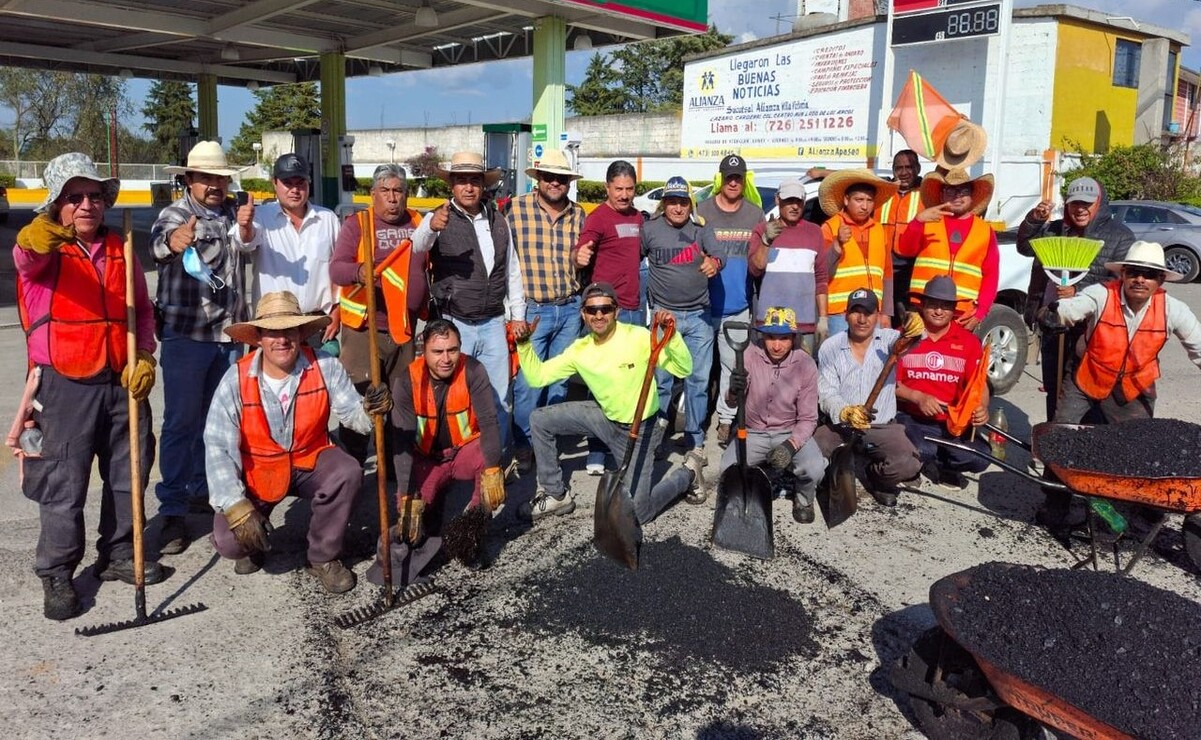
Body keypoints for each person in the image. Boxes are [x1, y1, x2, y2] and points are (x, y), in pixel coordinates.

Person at [14, 154, 162, 621]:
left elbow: (141, 309)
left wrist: (144, 354)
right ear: (56, 204)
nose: (86, 205)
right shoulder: (43, 248)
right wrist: (38, 235)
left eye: (94, 196)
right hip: (64, 383)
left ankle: (118, 553)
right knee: (63, 481)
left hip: (120, 380)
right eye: (73, 197)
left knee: (129, 472)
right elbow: (26, 256)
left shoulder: (122, 245)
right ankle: (57, 572)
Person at [203, 292, 392, 593]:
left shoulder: (325, 365)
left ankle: (322, 556)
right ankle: (254, 543)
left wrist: (370, 410)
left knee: (347, 472)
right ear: (259, 338)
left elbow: (353, 415)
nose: (281, 340)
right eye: (272, 332)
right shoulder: (235, 379)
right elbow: (218, 447)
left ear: (301, 334)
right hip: (258, 469)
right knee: (230, 540)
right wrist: (236, 506)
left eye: (289, 331)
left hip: (310, 456)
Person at [514, 282, 706, 523]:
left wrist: (673, 336)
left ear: (617, 311)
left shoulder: (639, 337)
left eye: (605, 309)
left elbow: (683, 368)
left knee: (640, 513)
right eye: (592, 310)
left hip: (641, 430)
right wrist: (524, 344)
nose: (598, 315)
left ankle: (688, 473)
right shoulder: (579, 350)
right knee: (540, 419)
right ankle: (556, 494)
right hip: (605, 418)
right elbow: (537, 377)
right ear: (583, 314)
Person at [151, 141, 253, 555]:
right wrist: (174, 242)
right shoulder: (175, 214)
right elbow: (160, 244)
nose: (214, 184)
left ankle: (206, 490)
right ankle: (172, 508)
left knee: (220, 424)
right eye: (205, 178)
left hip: (228, 337)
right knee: (180, 423)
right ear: (189, 179)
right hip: (187, 337)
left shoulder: (234, 214)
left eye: (219, 178)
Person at [410, 151, 527, 454]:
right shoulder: (439, 216)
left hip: (493, 323)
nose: (469, 187)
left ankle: (495, 460)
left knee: (499, 396)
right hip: (455, 323)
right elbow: (417, 247)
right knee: (454, 396)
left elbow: (511, 270)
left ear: (483, 185)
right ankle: (456, 457)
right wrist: (431, 227)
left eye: (474, 181)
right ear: (452, 185)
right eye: (461, 181)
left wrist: (517, 315)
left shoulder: (499, 221)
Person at [372, 320, 505, 583]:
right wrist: (407, 495)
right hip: (427, 459)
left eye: (452, 350)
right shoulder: (406, 381)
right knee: (414, 517)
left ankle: (472, 536)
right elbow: (402, 442)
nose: (446, 359)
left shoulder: (473, 370)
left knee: (488, 464)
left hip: (463, 452)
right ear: (423, 351)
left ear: (460, 348)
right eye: (438, 352)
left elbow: (489, 422)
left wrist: (493, 469)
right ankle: (413, 540)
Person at [329, 164, 427, 462]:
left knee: (400, 401)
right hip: (364, 329)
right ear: (373, 194)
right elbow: (337, 268)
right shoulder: (358, 224)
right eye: (385, 191)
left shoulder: (418, 222)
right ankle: (352, 466)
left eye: (398, 191)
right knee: (362, 398)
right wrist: (360, 271)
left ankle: (397, 468)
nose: (393, 198)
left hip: (404, 328)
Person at [1017, 176, 1134, 420]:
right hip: (1053, 322)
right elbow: (1025, 247)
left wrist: (1079, 290)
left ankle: (1081, 439)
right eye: (1075, 203)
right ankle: (1054, 438)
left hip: (1092, 330)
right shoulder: (1054, 230)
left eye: (1087, 203)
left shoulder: (1120, 236)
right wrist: (1035, 219)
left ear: (1099, 203)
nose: (1080, 209)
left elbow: (1123, 284)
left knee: (1085, 393)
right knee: (1055, 388)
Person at [1046, 241, 1201, 424]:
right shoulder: (1101, 294)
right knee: (1063, 431)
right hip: (1087, 376)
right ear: (1123, 274)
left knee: (1136, 437)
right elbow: (1074, 307)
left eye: (1149, 275)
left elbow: (1198, 347)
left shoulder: (1174, 310)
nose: (1140, 280)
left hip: (1133, 385)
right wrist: (1055, 313)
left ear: (1160, 280)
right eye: (1133, 272)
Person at [508, 150, 586, 474]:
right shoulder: (515, 209)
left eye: (561, 178)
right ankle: (524, 445)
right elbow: (502, 258)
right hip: (533, 311)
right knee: (528, 383)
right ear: (538, 179)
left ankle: (547, 441)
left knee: (559, 383)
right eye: (549, 177)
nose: (555, 183)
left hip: (569, 307)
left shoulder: (579, 214)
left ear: (568, 182)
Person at [815, 289, 924, 507]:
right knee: (810, 453)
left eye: (869, 313)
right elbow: (826, 392)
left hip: (881, 425)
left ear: (877, 315)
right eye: (856, 312)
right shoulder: (830, 347)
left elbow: (915, 339)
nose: (862, 319)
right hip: (842, 425)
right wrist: (845, 411)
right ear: (846, 314)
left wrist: (914, 329)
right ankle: (829, 475)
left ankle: (876, 477)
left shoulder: (890, 340)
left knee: (908, 464)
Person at [722, 306, 827, 523]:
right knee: (727, 470)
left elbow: (808, 418)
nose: (777, 346)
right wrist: (733, 390)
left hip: (789, 430)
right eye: (771, 337)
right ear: (762, 336)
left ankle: (803, 498)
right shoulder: (747, 355)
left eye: (784, 338)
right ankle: (761, 479)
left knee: (814, 468)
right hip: (752, 431)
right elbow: (732, 403)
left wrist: (791, 445)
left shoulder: (806, 364)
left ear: (794, 338)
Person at [643, 176, 725, 453]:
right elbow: (631, 260)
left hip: (699, 317)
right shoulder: (649, 229)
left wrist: (714, 263)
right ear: (664, 204)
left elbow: (719, 254)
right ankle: (656, 439)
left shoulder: (702, 229)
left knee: (698, 382)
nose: (678, 208)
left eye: (683, 202)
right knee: (661, 382)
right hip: (664, 316)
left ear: (690, 205)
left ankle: (694, 440)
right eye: (672, 202)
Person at [895, 275, 991, 489]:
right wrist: (917, 397)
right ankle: (913, 465)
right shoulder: (903, 336)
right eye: (933, 305)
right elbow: (888, 384)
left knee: (980, 457)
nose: (939, 311)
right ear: (922, 305)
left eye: (945, 306)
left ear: (954, 310)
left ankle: (944, 466)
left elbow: (979, 385)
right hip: (909, 416)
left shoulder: (969, 342)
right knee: (922, 449)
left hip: (951, 422)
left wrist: (982, 408)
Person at [236, 152, 340, 349]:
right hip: (271, 326)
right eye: (287, 183)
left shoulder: (328, 219)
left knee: (324, 370)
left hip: (317, 324)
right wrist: (245, 226)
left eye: (300, 183)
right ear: (274, 183)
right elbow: (244, 242)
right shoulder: (260, 217)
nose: (294, 190)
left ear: (309, 184)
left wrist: (337, 309)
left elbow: (337, 268)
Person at [697, 154, 764, 448]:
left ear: (743, 180)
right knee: (698, 369)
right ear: (721, 179)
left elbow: (760, 260)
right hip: (700, 305)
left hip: (737, 306)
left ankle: (725, 419)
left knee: (732, 368)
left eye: (738, 178)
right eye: (728, 177)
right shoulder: (701, 211)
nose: (733, 183)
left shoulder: (755, 215)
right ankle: (695, 421)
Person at [897, 167, 999, 333]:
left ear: (972, 196)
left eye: (963, 191)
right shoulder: (927, 220)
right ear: (942, 195)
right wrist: (917, 222)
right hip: (922, 311)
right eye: (951, 190)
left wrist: (980, 313)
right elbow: (905, 250)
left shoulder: (985, 231)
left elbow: (991, 276)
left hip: (962, 316)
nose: (957, 196)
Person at [748, 180, 829, 352]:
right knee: (768, 369)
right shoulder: (762, 230)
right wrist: (766, 241)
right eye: (789, 201)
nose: (794, 206)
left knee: (803, 368)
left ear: (804, 202)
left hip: (804, 323)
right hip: (770, 323)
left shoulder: (815, 232)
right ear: (778, 200)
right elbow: (755, 269)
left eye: (798, 201)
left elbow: (821, 278)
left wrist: (823, 318)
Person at [817, 169, 898, 335]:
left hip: (873, 312)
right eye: (859, 200)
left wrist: (886, 313)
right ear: (846, 200)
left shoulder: (879, 230)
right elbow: (821, 273)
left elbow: (887, 274)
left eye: (869, 200)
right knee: (840, 353)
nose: (865, 206)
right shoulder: (829, 227)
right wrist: (837, 244)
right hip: (840, 313)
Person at [575, 160, 644, 327]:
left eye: (630, 189)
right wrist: (578, 257)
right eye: (618, 189)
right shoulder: (597, 218)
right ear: (607, 188)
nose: (624, 195)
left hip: (635, 308)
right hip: (608, 310)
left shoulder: (637, 217)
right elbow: (580, 251)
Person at [877, 150, 925, 301]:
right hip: (882, 266)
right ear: (893, 170)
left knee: (907, 311)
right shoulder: (882, 191)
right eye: (899, 168)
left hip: (912, 268)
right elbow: (855, 177)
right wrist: (821, 172)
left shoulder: (927, 193)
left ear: (918, 168)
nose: (903, 173)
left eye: (908, 167)